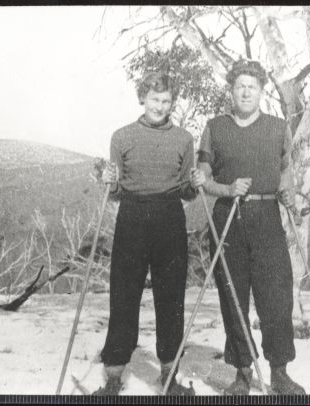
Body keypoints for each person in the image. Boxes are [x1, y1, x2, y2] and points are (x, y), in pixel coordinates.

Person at [191, 60, 306, 395]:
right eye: (239, 85)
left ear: (261, 90)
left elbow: (286, 168)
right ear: (231, 89)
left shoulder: (277, 126)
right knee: (233, 298)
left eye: (251, 86)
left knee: (277, 298)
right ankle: (242, 373)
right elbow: (203, 178)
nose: (245, 91)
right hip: (228, 218)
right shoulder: (215, 127)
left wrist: (287, 190)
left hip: (268, 216)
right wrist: (226, 189)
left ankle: (280, 372)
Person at [94, 72, 198, 396]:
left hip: (169, 216)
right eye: (155, 99)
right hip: (133, 216)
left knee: (171, 297)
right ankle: (113, 376)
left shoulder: (183, 139)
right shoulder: (122, 136)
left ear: (172, 102)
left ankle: (169, 377)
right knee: (124, 296)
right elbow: (114, 191)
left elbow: (187, 191)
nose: (160, 106)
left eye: (166, 101)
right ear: (143, 98)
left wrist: (194, 183)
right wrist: (109, 179)